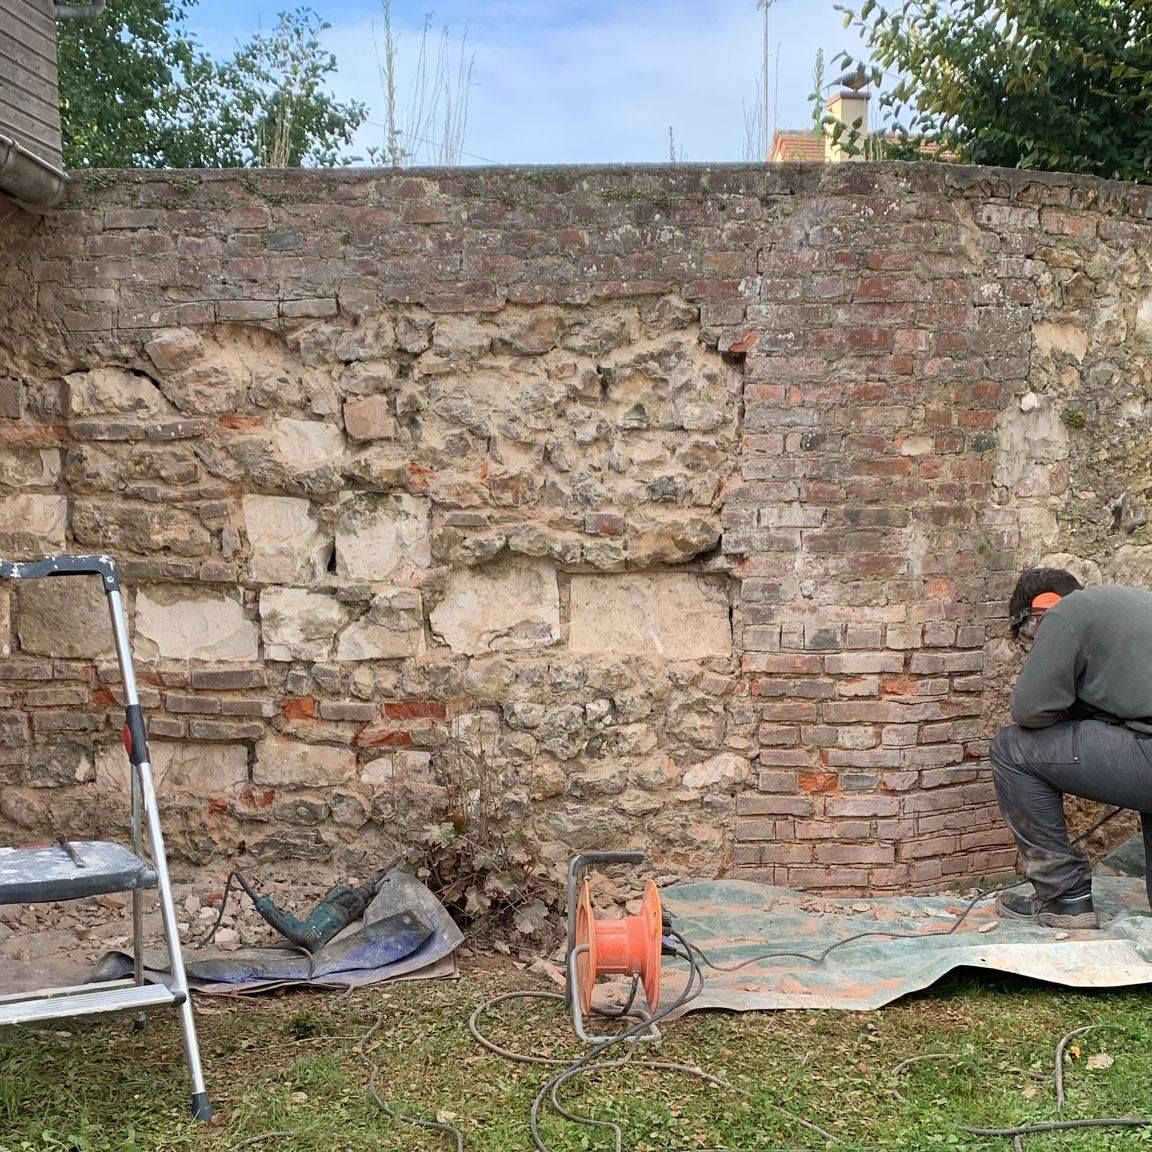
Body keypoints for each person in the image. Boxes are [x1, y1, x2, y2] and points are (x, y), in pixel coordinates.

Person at [990, 567, 1152, 930]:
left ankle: (1066, 897)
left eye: (1031, 635)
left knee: (1013, 749)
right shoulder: (1133, 606)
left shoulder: (1065, 613)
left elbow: (1030, 711)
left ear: (1037, 614)